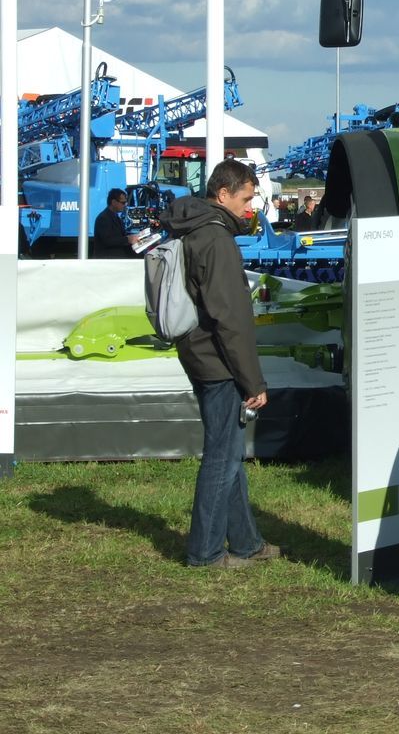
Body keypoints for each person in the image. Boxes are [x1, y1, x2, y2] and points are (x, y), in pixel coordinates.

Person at [159, 159, 280, 569]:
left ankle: (246, 543)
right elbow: (232, 319)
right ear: (223, 194)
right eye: (246, 199)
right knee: (222, 459)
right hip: (218, 362)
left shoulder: (192, 228)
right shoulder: (216, 239)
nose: (250, 207)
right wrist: (253, 381)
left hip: (198, 352)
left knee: (229, 455)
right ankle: (205, 552)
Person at [93, 188, 140, 258]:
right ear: (114, 202)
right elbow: (107, 240)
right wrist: (128, 239)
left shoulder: (116, 217)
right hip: (107, 258)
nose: (125, 205)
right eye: (123, 203)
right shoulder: (103, 218)